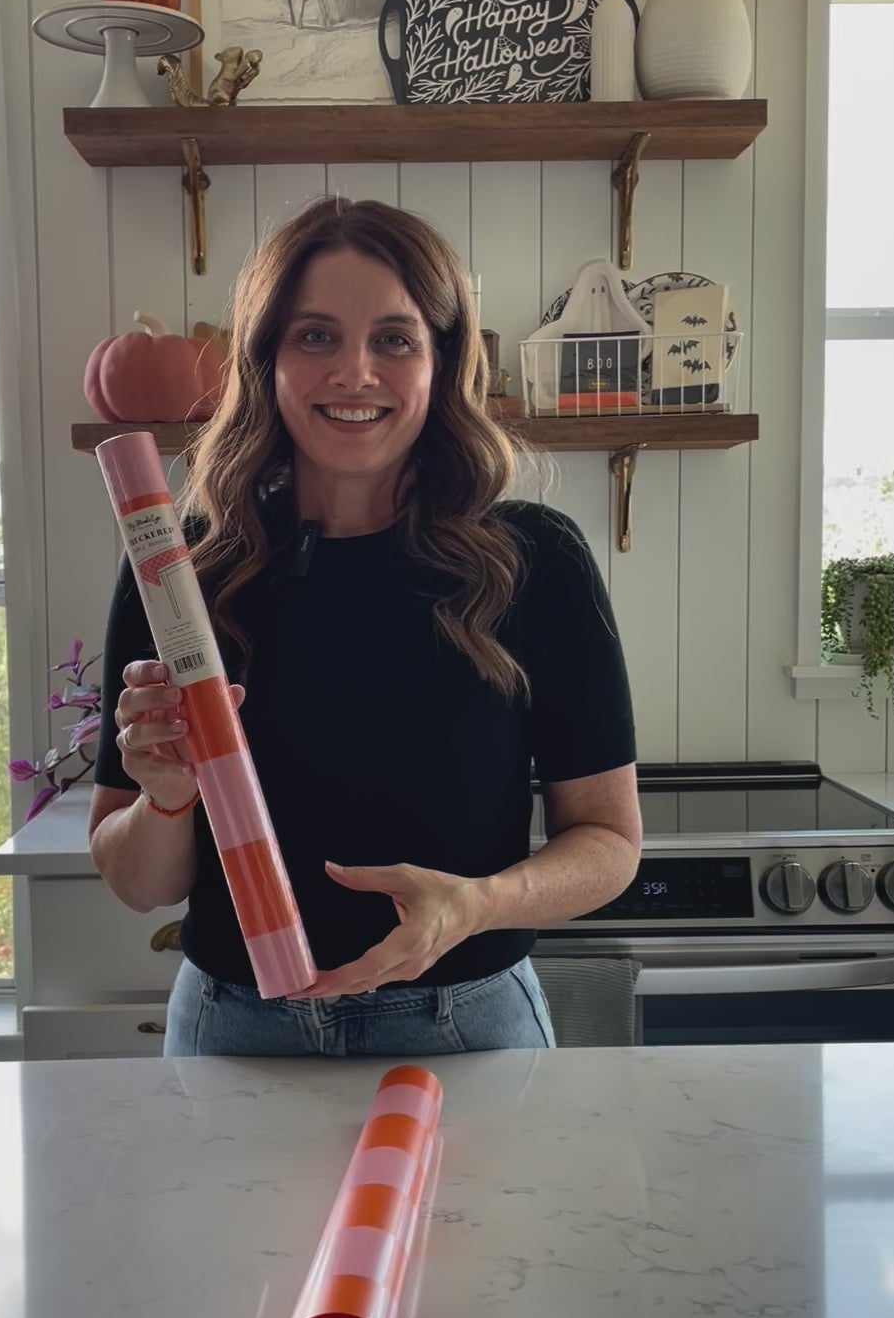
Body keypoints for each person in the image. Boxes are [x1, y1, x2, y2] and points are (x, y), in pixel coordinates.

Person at [90, 196, 641, 1057]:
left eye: (394, 338)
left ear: (441, 360)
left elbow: (608, 843)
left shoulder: (533, 561)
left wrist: (478, 904)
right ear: (265, 358)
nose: (355, 372)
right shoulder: (178, 573)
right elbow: (137, 883)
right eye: (315, 336)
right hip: (235, 1034)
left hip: (464, 1030)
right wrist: (165, 800)